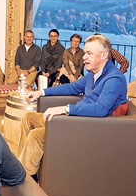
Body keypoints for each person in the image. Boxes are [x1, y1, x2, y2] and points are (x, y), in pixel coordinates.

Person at [18, 34, 128, 178]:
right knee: (29, 117)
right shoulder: (93, 74)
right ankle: (24, 169)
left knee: (37, 136)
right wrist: (41, 92)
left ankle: (23, 180)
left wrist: (65, 109)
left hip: (87, 128)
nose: (84, 57)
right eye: (85, 52)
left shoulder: (114, 79)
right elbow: (71, 88)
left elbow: (101, 108)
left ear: (104, 55)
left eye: (89, 53)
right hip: (76, 121)